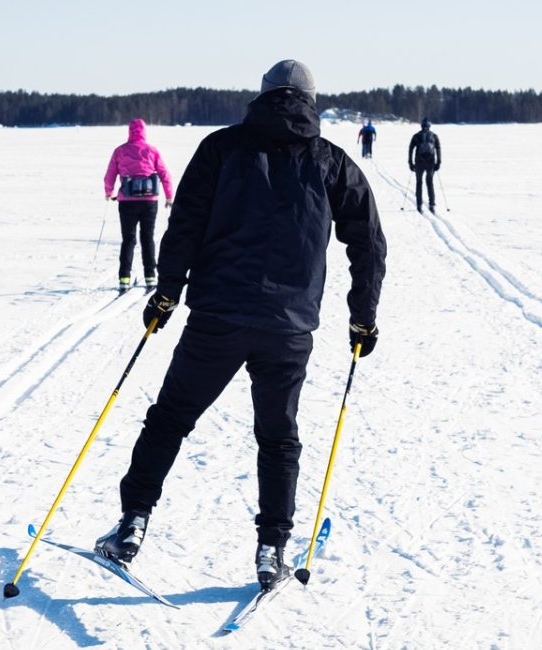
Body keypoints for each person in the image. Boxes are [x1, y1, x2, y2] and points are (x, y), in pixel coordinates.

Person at [95, 59, 387, 590]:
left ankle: (133, 522)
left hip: (218, 320)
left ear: (263, 96)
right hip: (288, 329)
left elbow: (184, 225)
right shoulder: (332, 161)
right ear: (311, 100)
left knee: (169, 420)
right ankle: (272, 547)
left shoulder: (221, 148)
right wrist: (362, 318)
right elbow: (368, 242)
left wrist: (166, 293)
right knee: (278, 439)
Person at [103, 118, 175, 288]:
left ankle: (124, 278)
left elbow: (110, 174)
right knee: (147, 238)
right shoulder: (152, 150)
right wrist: (169, 196)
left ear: (129, 131)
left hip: (127, 201)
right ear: (144, 131)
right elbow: (165, 174)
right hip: (149, 202)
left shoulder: (120, 151)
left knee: (128, 239)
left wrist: (109, 192)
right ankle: (150, 276)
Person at [408, 117, 442, 213]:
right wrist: (439, 162)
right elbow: (438, 149)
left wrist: (410, 162)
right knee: (430, 182)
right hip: (430, 162)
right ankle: (432, 204)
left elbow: (411, 149)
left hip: (419, 162)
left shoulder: (416, 136)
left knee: (419, 183)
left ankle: (419, 204)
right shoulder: (434, 136)